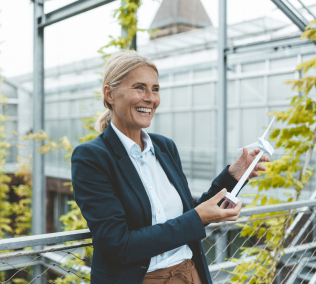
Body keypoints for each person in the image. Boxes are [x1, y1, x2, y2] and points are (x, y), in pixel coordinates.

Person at [71, 50, 269, 284]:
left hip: (190, 274)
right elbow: (119, 244)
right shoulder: (91, 157)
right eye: (139, 87)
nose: (150, 98)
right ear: (109, 94)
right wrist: (196, 218)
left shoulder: (165, 147)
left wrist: (233, 176)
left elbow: (185, 214)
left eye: (155, 89)